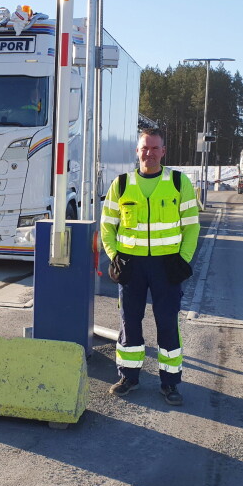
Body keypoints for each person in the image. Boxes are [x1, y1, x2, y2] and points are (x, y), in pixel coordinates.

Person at [100, 128, 200, 406]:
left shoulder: (178, 183)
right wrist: (115, 257)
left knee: (167, 322)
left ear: (163, 151)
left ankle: (170, 383)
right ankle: (128, 377)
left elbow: (192, 226)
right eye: (145, 148)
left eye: (155, 148)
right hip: (131, 265)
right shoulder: (121, 184)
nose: (149, 153)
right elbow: (107, 226)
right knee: (129, 321)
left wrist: (183, 259)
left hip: (167, 265)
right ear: (137, 151)